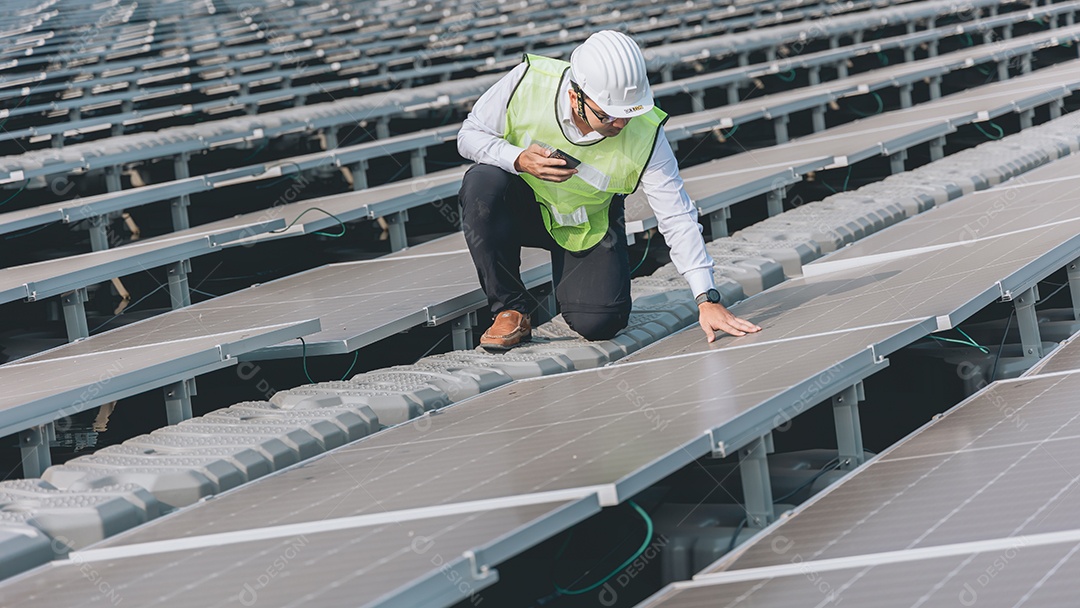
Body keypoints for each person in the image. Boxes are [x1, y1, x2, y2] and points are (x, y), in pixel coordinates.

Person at [457, 30, 761, 350]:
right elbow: (469, 135)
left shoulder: (646, 133)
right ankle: (510, 309)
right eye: (608, 115)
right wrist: (516, 159)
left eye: (628, 115)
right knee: (482, 183)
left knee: (600, 323)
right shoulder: (528, 81)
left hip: (585, 222)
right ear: (576, 97)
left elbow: (676, 214)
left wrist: (706, 297)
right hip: (521, 210)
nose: (619, 125)